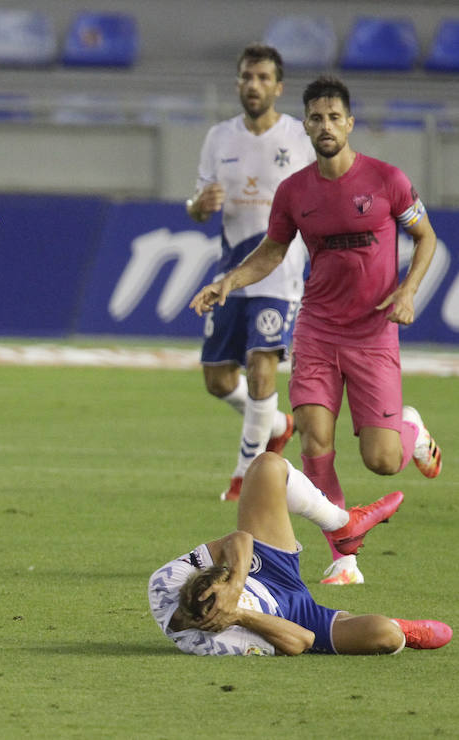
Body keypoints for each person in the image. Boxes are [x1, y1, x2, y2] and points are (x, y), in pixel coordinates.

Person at [190, 75, 443, 587]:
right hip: (318, 330)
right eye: (316, 118)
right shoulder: (294, 192)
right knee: (314, 437)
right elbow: (273, 251)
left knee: (382, 461)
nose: (325, 125)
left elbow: (426, 237)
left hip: (373, 334)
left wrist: (410, 290)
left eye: (334, 117)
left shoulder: (387, 180)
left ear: (349, 123)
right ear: (304, 125)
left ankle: (410, 430)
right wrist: (229, 281)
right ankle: (344, 555)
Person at [149, 451, 451, 656]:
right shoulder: (217, 643)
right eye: (230, 603)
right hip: (287, 615)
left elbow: (238, 538)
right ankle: (405, 629)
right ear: (216, 622)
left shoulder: (166, 582)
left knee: (268, 466)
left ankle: (343, 524)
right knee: (385, 635)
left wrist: (237, 582)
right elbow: (301, 640)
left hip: (262, 570)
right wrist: (242, 614)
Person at [185, 44, 314, 502]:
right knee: (217, 379)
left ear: (278, 87)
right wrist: (197, 206)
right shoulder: (219, 137)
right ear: (238, 82)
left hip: (280, 271)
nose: (253, 85)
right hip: (232, 271)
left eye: (262, 78)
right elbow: (199, 206)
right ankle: (277, 425)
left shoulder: (300, 137)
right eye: (246, 77)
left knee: (262, 367)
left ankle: (245, 475)